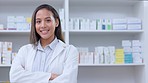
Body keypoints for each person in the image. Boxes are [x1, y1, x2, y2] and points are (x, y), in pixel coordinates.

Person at [9, 4, 78, 83]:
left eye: (48, 20)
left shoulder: (70, 51)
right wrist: (50, 76)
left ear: (56, 22)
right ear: (34, 25)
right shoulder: (25, 50)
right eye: (38, 21)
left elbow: (69, 81)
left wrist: (29, 78)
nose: (43, 25)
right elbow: (14, 77)